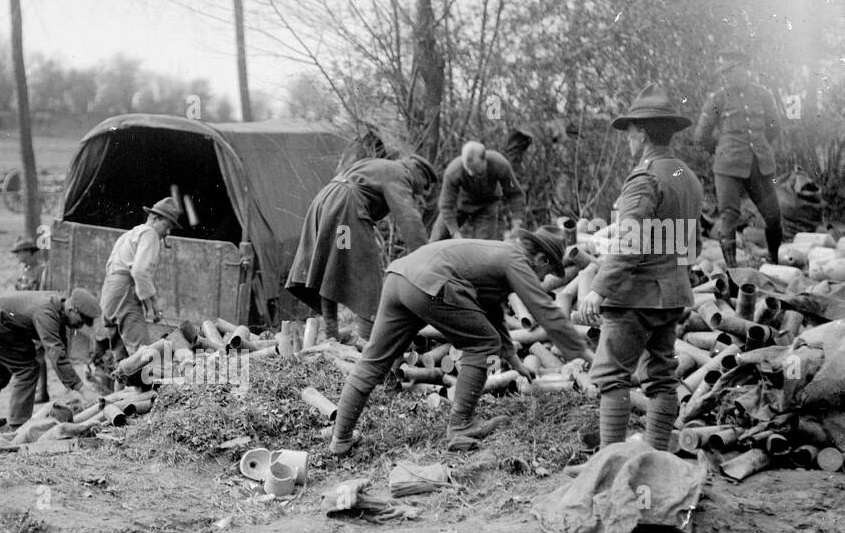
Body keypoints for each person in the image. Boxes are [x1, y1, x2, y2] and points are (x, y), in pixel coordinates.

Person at [329, 225, 593, 455]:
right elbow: (545, 311)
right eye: (548, 272)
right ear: (541, 259)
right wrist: (584, 354)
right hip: (429, 282)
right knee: (482, 345)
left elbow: (490, 310)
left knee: (373, 362)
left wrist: (511, 356)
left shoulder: (498, 254)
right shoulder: (516, 260)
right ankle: (460, 426)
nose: (545, 279)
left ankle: (340, 439)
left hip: (399, 277)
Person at [580, 83, 702, 452]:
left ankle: (610, 464)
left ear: (643, 133)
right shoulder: (688, 178)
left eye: (630, 132)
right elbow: (690, 243)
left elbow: (629, 243)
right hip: (672, 294)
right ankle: (655, 459)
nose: (628, 140)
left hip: (634, 296)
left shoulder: (643, 177)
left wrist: (599, 289)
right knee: (662, 379)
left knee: (613, 377)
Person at [286, 155, 437, 343]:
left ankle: (332, 331)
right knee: (368, 273)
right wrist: (427, 257)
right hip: (345, 207)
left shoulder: (379, 164)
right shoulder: (399, 173)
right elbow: (408, 217)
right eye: (425, 184)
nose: (422, 191)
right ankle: (369, 340)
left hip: (324, 201)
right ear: (418, 171)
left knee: (330, 266)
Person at [694, 48, 783, 266]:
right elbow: (700, 136)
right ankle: (732, 270)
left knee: (773, 216)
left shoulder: (763, 95)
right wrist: (724, 149)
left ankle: (774, 260)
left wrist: (760, 146)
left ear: (744, 69)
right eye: (723, 72)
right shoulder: (717, 99)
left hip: (759, 165)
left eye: (730, 71)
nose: (726, 76)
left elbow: (774, 126)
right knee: (728, 216)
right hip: (728, 168)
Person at [0, 287, 100, 429]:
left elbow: (61, 349)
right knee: (27, 368)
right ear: (72, 309)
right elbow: (55, 352)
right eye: (81, 321)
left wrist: (69, 386)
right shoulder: (47, 312)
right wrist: (81, 388)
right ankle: (18, 426)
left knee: (1, 371)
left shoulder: (59, 307)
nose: (80, 326)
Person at [93, 197, 182, 373]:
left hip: (110, 294)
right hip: (124, 291)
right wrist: (154, 302)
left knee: (123, 358)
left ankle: (118, 398)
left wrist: (147, 302)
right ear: (155, 219)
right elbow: (139, 272)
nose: (168, 232)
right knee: (144, 355)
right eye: (167, 225)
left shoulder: (131, 233)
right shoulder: (150, 234)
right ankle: (148, 398)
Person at [428, 141, 526, 243]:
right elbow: (446, 206)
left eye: (475, 170)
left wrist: (516, 223)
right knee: (436, 240)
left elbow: (515, 194)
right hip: (459, 205)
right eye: (468, 170)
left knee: (483, 247)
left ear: (485, 160)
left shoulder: (500, 165)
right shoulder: (453, 171)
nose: (471, 174)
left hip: (486, 206)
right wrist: (455, 233)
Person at [11, 236, 51, 402]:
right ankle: (36, 392)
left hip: (36, 316)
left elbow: (43, 294)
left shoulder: (42, 270)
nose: (17, 256)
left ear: (29, 252)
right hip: (23, 317)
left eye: (19, 252)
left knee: (38, 355)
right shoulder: (22, 271)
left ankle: (42, 393)